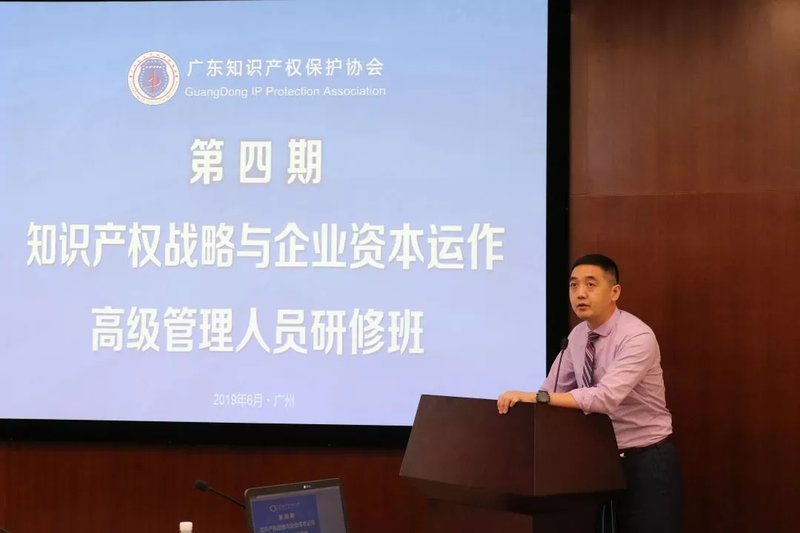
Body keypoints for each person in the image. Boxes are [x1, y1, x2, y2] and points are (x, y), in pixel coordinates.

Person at [497, 254, 683, 533]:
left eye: (590, 284)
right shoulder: (577, 336)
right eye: (574, 285)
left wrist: (538, 398)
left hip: (645, 460)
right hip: (597, 459)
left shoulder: (637, 337)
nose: (580, 293)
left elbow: (604, 398)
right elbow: (552, 390)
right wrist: (528, 403)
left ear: (614, 292)